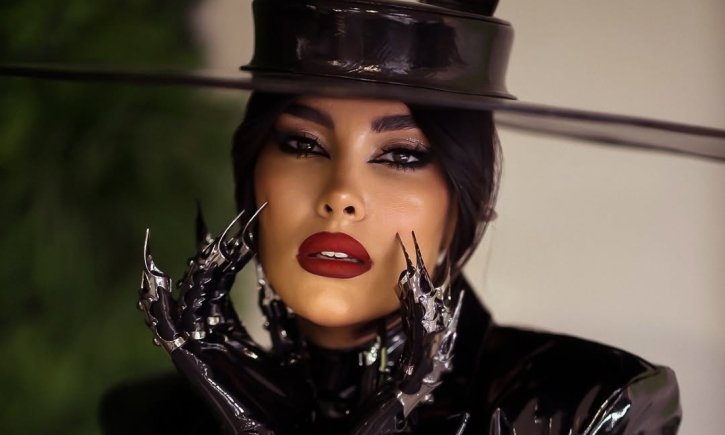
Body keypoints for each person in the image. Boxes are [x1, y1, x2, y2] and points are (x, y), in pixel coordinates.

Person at [100, 0, 684, 433]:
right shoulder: (152, 419)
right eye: (303, 145)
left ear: (468, 196)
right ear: (252, 171)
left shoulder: (587, 409)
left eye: (401, 155)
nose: (341, 196)